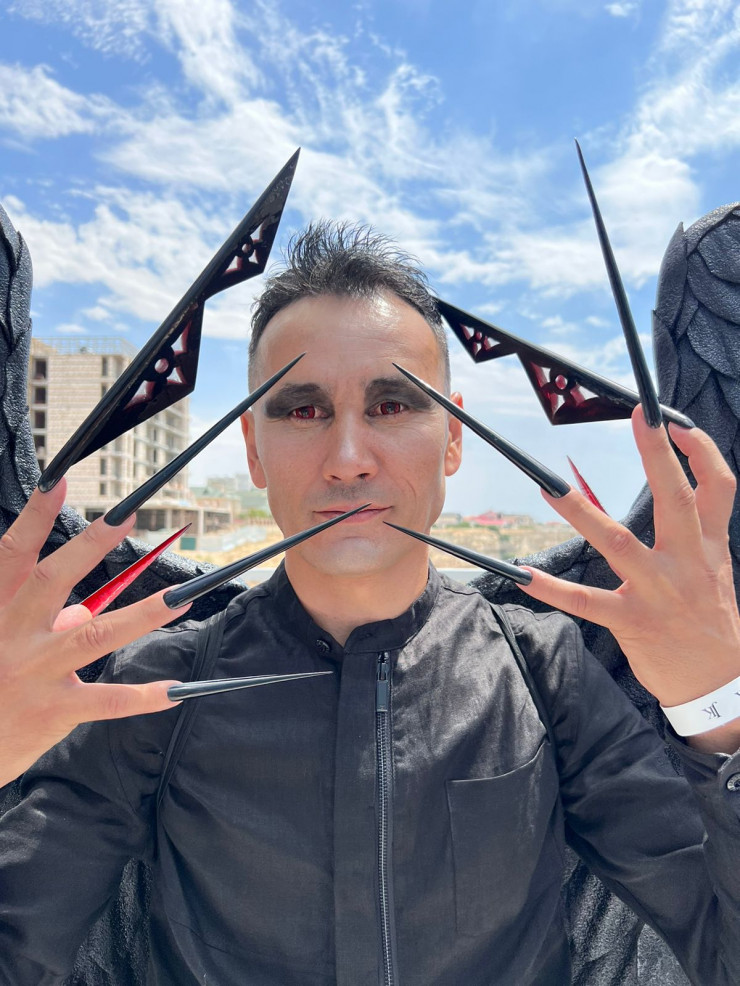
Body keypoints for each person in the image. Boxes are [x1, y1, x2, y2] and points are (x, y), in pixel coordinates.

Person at [1, 222, 739, 985]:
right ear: (252, 448)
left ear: (453, 438)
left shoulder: (548, 673)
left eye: (392, 405)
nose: (348, 460)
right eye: (301, 410)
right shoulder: (154, 691)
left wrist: (721, 709)